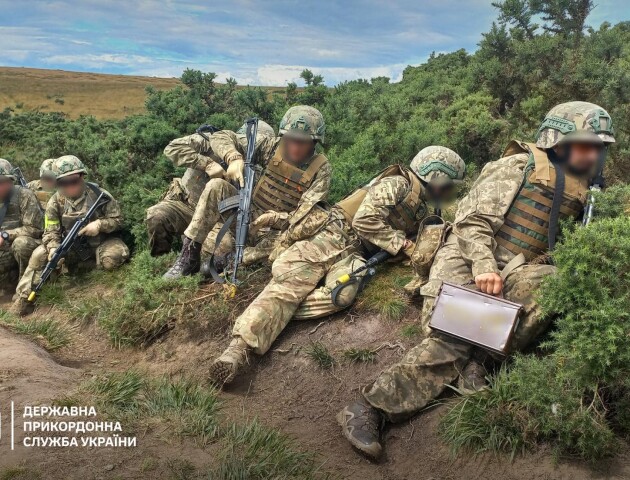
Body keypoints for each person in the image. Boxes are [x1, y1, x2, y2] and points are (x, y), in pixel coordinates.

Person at [337, 101, 616, 460]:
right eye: (585, 145)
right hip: (465, 261)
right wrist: (484, 266)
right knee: (457, 336)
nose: (593, 154)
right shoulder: (519, 165)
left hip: (513, 271)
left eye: (598, 147)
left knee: (554, 283)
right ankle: (368, 407)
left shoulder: (588, 189)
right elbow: (470, 222)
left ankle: (480, 363)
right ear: (557, 140)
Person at [207, 146, 466, 386]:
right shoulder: (397, 184)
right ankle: (237, 350)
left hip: (355, 253)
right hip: (332, 235)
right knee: (290, 285)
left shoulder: (421, 206)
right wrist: (405, 246)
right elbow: (365, 221)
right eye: (447, 186)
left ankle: (278, 311)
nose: (447, 193)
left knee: (340, 295)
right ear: (435, 177)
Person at [163, 106, 331, 280]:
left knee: (293, 247)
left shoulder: (320, 169)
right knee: (217, 186)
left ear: (315, 142)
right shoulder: (270, 146)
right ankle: (188, 256)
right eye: (291, 139)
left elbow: (308, 218)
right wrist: (233, 157)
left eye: (302, 142)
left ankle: (234, 259)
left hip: (278, 232)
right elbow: (222, 136)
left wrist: (275, 218)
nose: (295, 147)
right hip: (246, 215)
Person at [13, 155, 130, 315]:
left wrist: (100, 225)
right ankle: (23, 301)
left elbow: (119, 220)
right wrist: (53, 248)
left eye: (73, 180)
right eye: (63, 182)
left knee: (113, 257)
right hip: (72, 246)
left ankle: (99, 282)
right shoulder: (55, 201)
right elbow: (50, 231)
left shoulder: (99, 195)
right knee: (40, 254)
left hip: (101, 243)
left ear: (82, 176)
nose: (69, 186)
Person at [146, 120, 275, 257]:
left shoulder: (258, 172)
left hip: (214, 219)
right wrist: (207, 164)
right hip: (186, 205)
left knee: (224, 246)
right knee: (157, 215)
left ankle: (193, 261)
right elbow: (173, 148)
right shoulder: (211, 142)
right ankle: (160, 260)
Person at [0, 158, 43, 292]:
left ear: (10, 181)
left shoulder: (24, 195)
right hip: (3, 254)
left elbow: (35, 229)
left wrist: (5, 234)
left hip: (22, 247)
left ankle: (25, 287)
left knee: (21, 244)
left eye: (1, 182)